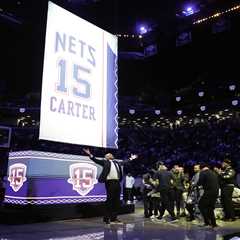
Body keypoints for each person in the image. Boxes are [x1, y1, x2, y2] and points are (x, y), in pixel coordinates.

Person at [83, 148, 137, 225]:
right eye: (108, 155)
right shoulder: (105, 162)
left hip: (117, 182)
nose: (110, 155)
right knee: (110, 201)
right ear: (106, 157)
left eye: (110, 154)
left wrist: (131, 158)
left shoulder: (117, 163)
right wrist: (89, 154)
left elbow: (125, 161)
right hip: (110, 182)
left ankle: (114, 218)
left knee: (116, 201)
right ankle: (106, 218)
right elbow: (95, 160)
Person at [197, 164, 219, 228]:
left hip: (208, 192)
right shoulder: (213, 172)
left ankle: (207, 223)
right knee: (210, 208)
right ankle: (214, 224)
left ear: (202, 168)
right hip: (215, 192)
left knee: (200, 205)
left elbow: (199, 182)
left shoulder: (203, 173)